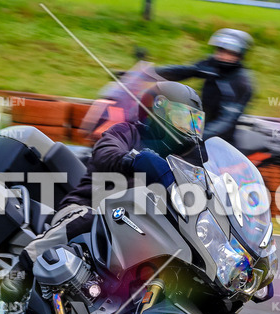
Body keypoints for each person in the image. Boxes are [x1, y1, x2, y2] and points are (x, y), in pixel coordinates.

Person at [21, 80, 205, 265]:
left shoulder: (182, 161)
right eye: (182, 119)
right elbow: (105, 152)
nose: (189, 128)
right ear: (158, 110)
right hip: (88, 208)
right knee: (96, 218)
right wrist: (133, 160)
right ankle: (21, 268)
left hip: (138, 228)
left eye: (194, 122)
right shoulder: (128, 132)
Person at [156, 28, 254, 144]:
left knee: (174, 154)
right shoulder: (212, 65)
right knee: (156, 118)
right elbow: (184, 71)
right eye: (221, 50)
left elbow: (226, 120)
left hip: (217, 137)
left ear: (239, 55)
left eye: (229, 53)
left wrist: (200, 136)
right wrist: (148, 73)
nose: (223, 55)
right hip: (200, 121)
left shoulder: (240, 82)